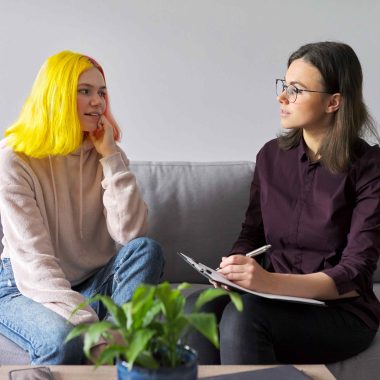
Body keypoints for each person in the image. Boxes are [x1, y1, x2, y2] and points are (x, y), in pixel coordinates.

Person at [186, 41, 380, 364]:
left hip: (341, 311)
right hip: (274, 298)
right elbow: (252, 234)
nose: (282, 96)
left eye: (296, 89)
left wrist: (268, 282)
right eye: (284, 85)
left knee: (243, 320)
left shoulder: (370, 166)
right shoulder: (270, 157)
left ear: (334, 102)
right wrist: (233, 268)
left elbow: (354, 273)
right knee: (198, 308)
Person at [0, 51, 164, 364]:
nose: (97, 102)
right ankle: (115, 349)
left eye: (102, 92)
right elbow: (35, 265)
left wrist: (111, 158)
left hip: (89, 281)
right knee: (65, 343)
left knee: (147, 249)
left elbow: (131, 234)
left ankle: (120, 347)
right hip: (23, 285)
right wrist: (90, 330)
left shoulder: (106, 152)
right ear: (57, 95)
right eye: (85, 91)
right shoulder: (14, 159)